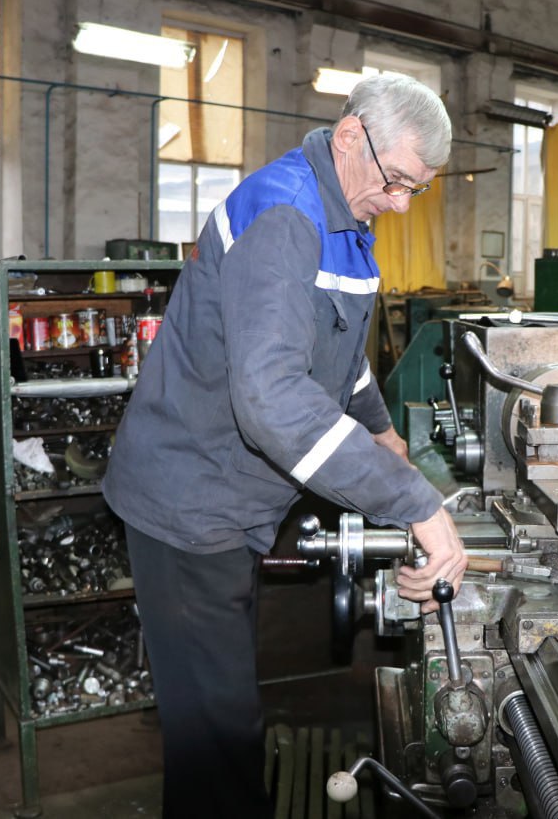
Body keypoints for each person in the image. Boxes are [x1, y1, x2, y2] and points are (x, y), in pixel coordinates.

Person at [103, 72, 468, 818]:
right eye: (397, 181)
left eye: (416, 191)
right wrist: (415, 502)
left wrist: (378, 427)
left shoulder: (342, 218)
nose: (400, 204)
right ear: (348, 136)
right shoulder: (287, 217)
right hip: (188, 507)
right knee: (218, 739)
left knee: (222, 719)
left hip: (225, 505)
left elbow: (334, 350)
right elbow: (272, 399)